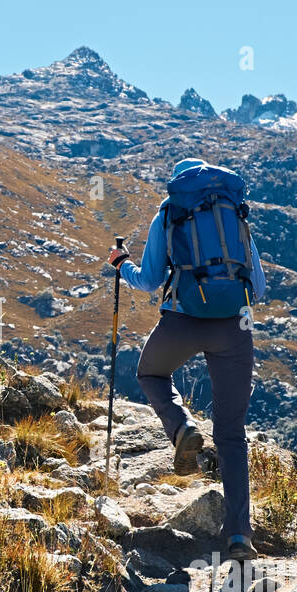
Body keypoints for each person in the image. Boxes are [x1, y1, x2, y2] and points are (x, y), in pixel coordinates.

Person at [107, 158, 261, 562]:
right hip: (235, 325)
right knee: (231, 434)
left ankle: (182, 428)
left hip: (184, 319)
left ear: (179, 183)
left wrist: (122, 266)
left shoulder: (171, 209)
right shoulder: (233, 209)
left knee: (151, 372)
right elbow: (257, 284)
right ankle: (240, 536)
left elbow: (152, 278)